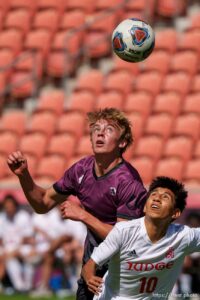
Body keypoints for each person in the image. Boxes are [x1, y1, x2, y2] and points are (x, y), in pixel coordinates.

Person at [7, 107, 147, 300]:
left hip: (124, 268)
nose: (100, 132)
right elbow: (42, 204)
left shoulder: (128, 182)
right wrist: (24, 176)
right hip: (92, 264)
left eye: (109, 130)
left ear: (122, 142)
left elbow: (123, 240)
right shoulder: (81, 169)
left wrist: (83, 215)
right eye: (96, 128)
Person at [81, 176, 199, 300]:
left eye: (165, 197)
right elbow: (90, 265)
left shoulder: (183, 236)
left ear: (175, 213)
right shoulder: (124, 231)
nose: (157, 199)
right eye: (153, 194)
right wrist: (90, 277)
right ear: (145, 207)